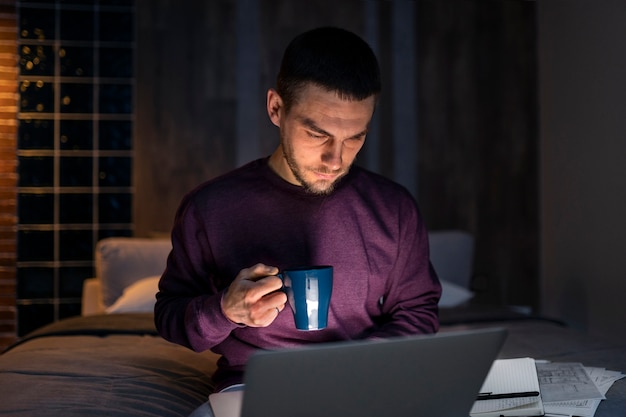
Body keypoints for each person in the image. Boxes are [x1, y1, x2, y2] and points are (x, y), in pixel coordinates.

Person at [154, 26, 441, 416]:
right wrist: (225, 311)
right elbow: (170, 315)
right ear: (276, 108)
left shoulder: (394, 208)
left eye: (355, 138)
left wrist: (361, 365)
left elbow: (418, 311)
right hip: (253, 386)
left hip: (368, 383)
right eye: (317, 133)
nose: (335, 159)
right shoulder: (210, 207)